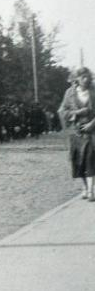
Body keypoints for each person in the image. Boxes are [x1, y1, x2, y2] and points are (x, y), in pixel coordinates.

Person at [58, 67, 95, 201]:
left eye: (88, 76)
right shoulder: (69, 93)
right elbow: (62, 111)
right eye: (83, 77)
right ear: (76, 79)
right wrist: (77, 113)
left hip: (91, 132)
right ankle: (85, 188)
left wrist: (92, 124)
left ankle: (91, 191)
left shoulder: (93, 91)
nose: (86, 79)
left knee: (90, 159)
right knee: (79, 162)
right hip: (76, 132)